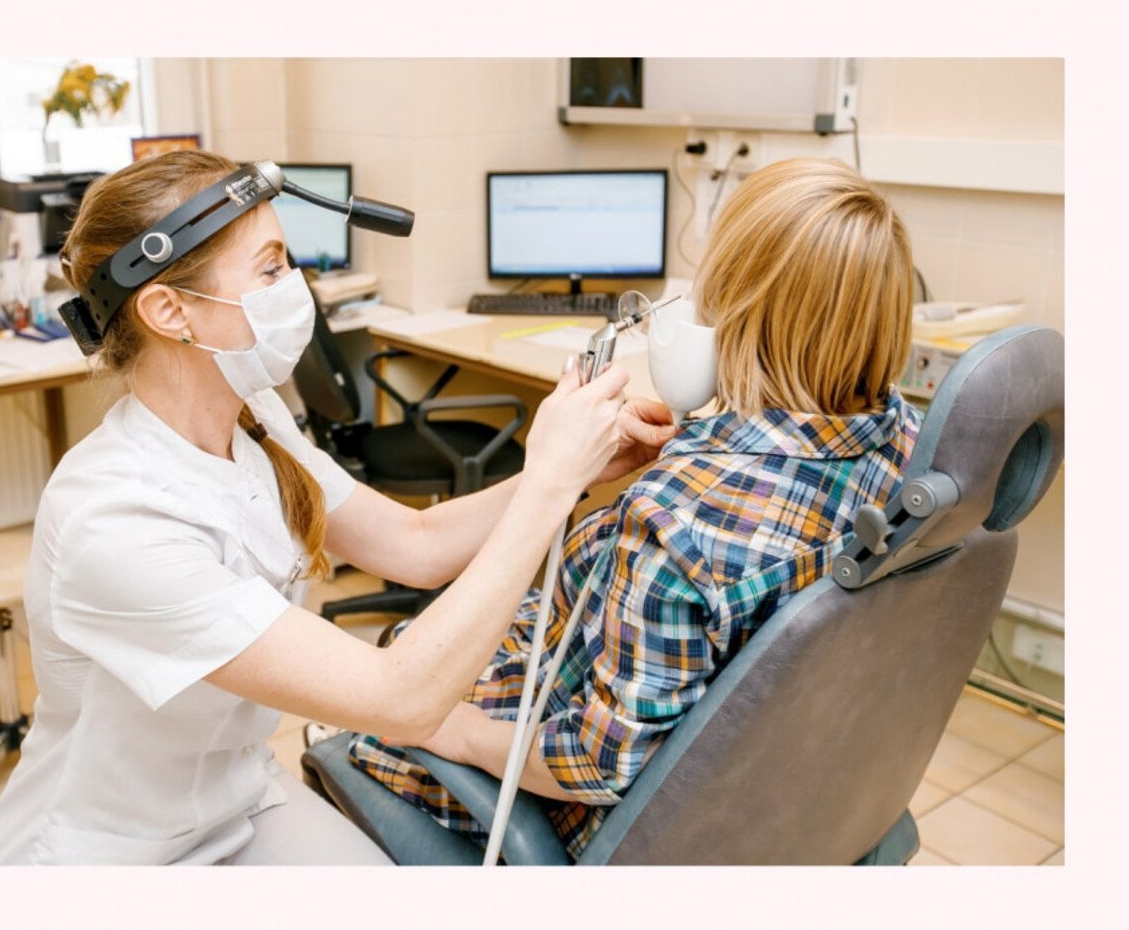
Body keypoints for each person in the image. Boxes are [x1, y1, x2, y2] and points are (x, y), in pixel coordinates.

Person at [0, 150, 675, 865]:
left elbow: (416, 542)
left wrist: (578, 469)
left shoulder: (255, 418)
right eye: (271, 269)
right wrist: (550, 484)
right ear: (169, 311)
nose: (296, 288)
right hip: (111, 852)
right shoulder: (115, 520)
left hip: (236, 796)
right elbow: (401, 699)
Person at [348, 157, 925, 861]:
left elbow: (597, 764)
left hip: (556, 788)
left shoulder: (674, 524)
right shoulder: (911, 447)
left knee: (370, 715)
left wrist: (456, 731)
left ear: (735, 313)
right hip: (765, 792)